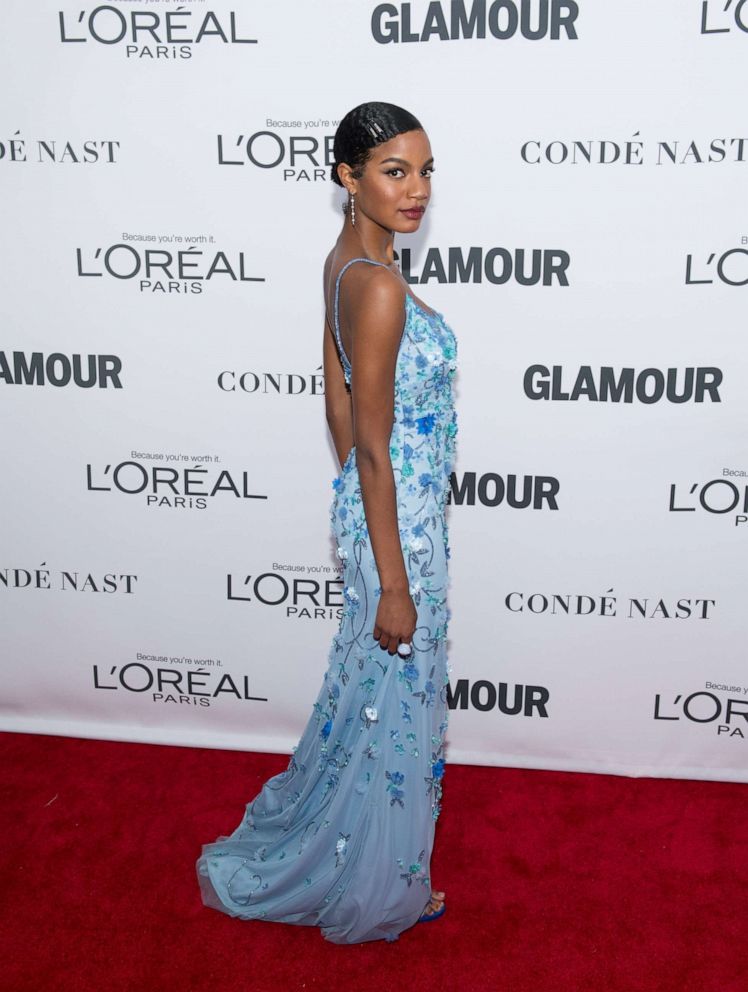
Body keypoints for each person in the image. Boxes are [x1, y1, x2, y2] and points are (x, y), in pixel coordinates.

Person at [196, 101, 459, 944]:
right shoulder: (377, 285)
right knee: (395, 691)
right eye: (394, 171)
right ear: (347, 177)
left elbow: (337, 399)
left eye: (424, 170)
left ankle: (357, 849)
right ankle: (377, 881)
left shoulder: (347, 262)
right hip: (399, 527)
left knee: (371, 697)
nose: (415, 189)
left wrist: (355, 491)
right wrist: (395, 580)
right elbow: (377, 448)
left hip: (373, 507)